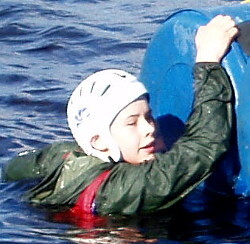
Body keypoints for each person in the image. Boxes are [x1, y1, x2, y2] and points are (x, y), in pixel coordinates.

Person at [4, 15, 238, 216]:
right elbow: (205, 146)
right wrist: (208, 61)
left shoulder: (61, 156)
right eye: (131, 123)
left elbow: (12, 168)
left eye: (148, 116)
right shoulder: (128, 188)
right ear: (99, 142)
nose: (149, 128)